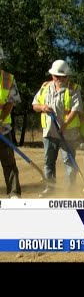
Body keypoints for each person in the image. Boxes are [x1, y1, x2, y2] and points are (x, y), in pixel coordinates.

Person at [32, 60, 83, 196]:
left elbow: (76, 109)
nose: (60, 79)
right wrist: (42, 107)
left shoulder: (73, 88)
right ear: (52, 75)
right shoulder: (45, 87)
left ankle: (70, 191)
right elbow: (35, 105)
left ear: (67, 76)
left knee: (69, 161)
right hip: (49, 130)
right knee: (49, 160)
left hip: (68, 132)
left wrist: (64, 125)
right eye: (57, 76)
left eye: (63, 76)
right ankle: (50, 188)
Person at [0, 69, 22, 199]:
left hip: (3, 129)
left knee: (8, 162)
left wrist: (0, 121)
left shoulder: (7, 79)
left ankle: (14, 193)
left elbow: (10, 103)